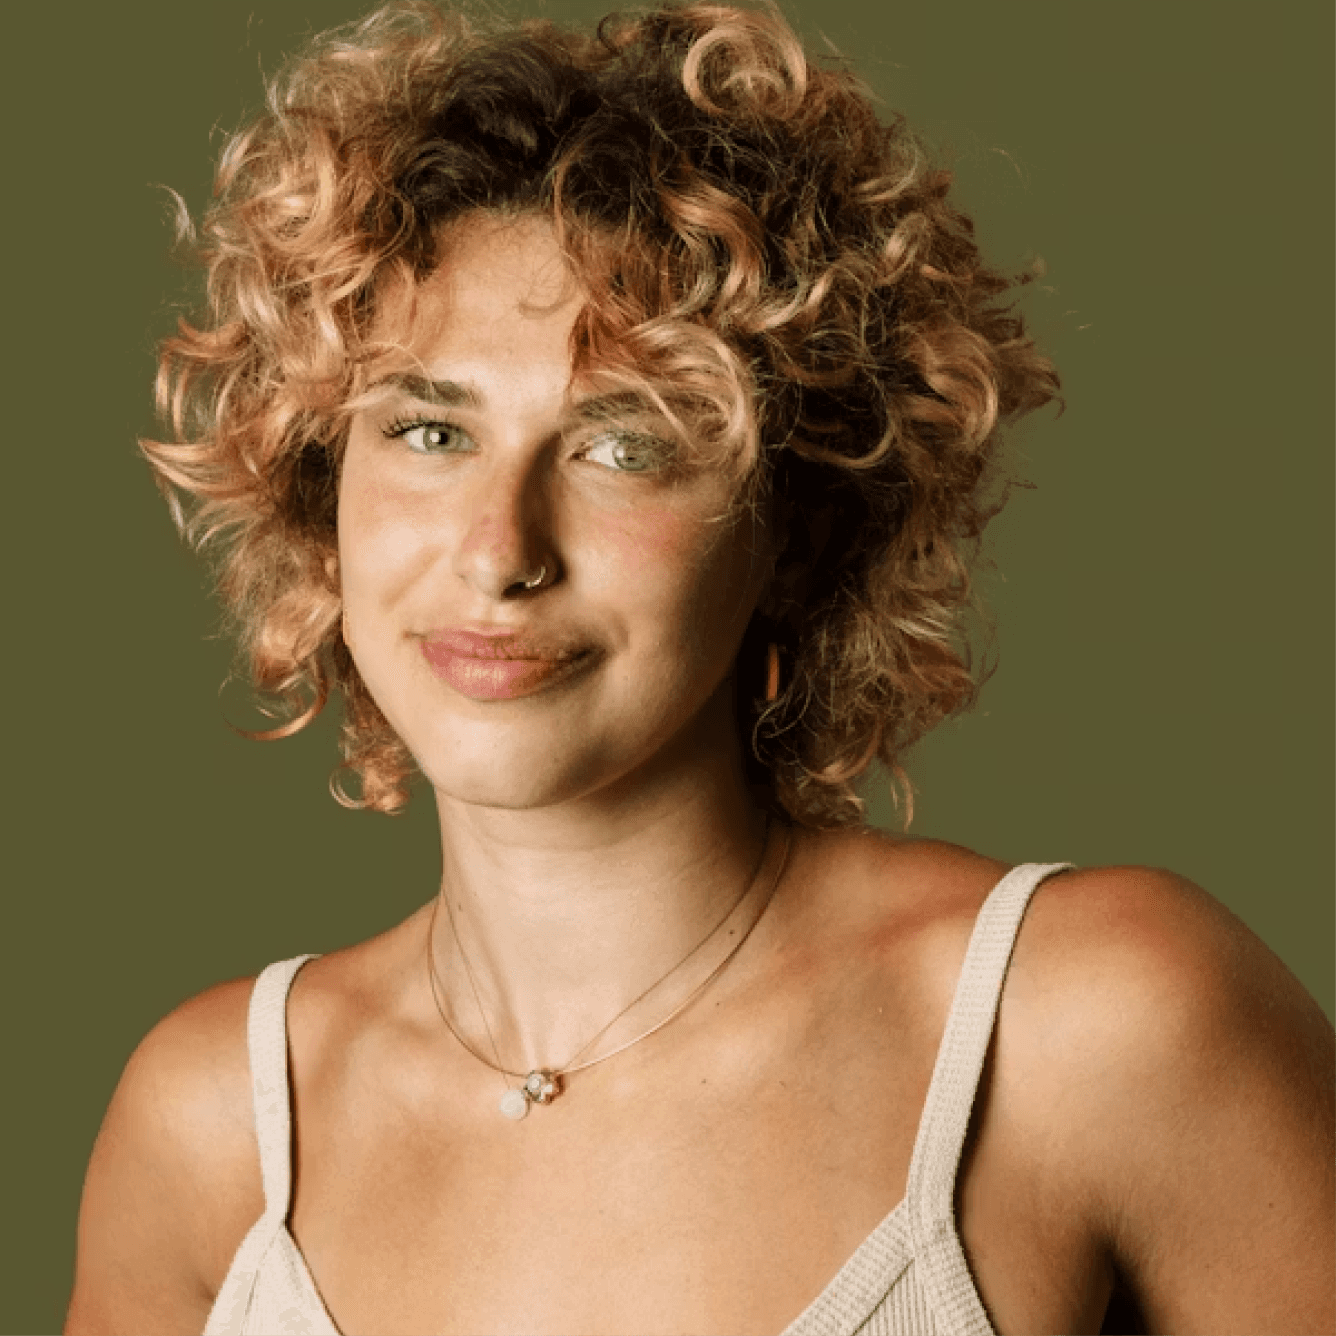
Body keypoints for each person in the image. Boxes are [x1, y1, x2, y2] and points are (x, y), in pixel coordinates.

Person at [64, 1, 1334, 1333]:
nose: (499, 552)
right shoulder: (213, 1131)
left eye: (624, 445)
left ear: (797, 527)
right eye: (431, 433)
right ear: (321, 483)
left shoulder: (1089, 1024)